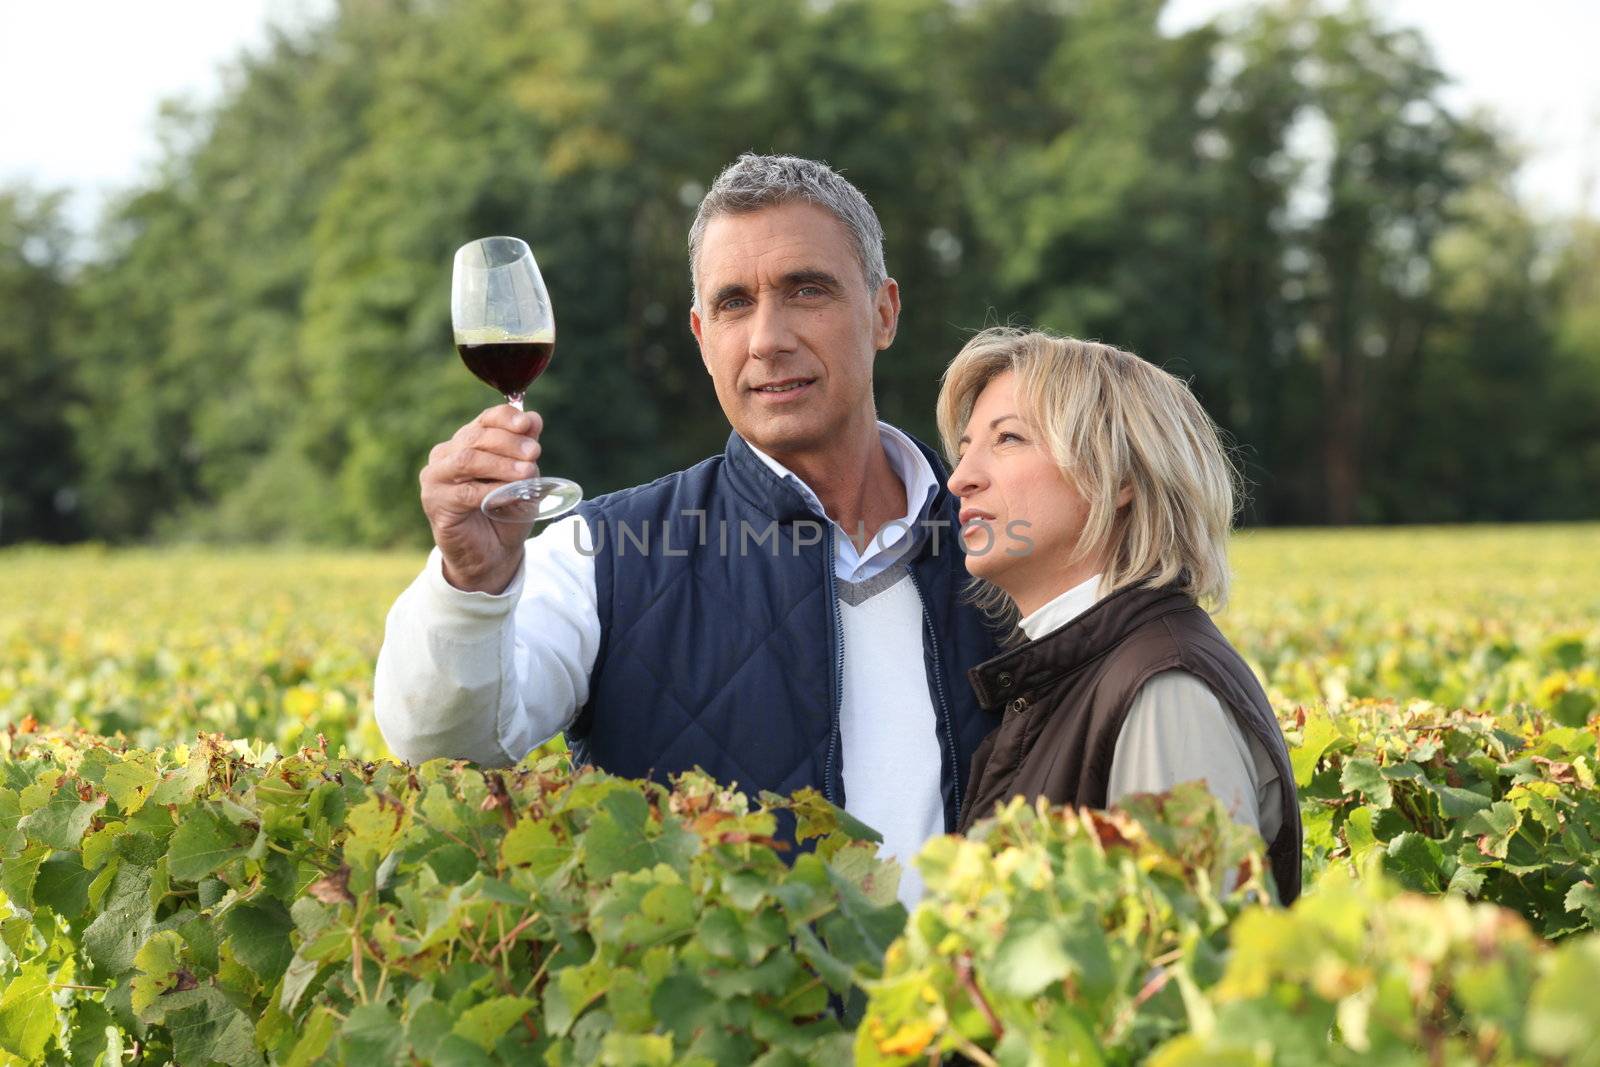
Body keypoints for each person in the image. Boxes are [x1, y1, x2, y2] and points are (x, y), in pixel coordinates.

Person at [374, 154, 1000, 908]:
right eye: (735, 303)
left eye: (806, 290)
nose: (768, 338)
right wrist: (471, 582)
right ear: (703, 336)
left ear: (884, 312)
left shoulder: (1007, 544)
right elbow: (445, 743)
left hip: (969, 1019)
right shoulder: (598, 552)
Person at [937, 327, 1302, 903]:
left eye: (1007, 439)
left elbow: (1183, 968)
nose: (961, 478)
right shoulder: (1084, 673)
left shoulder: (1165, 691)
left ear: (1123, 476)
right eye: (963, 450)